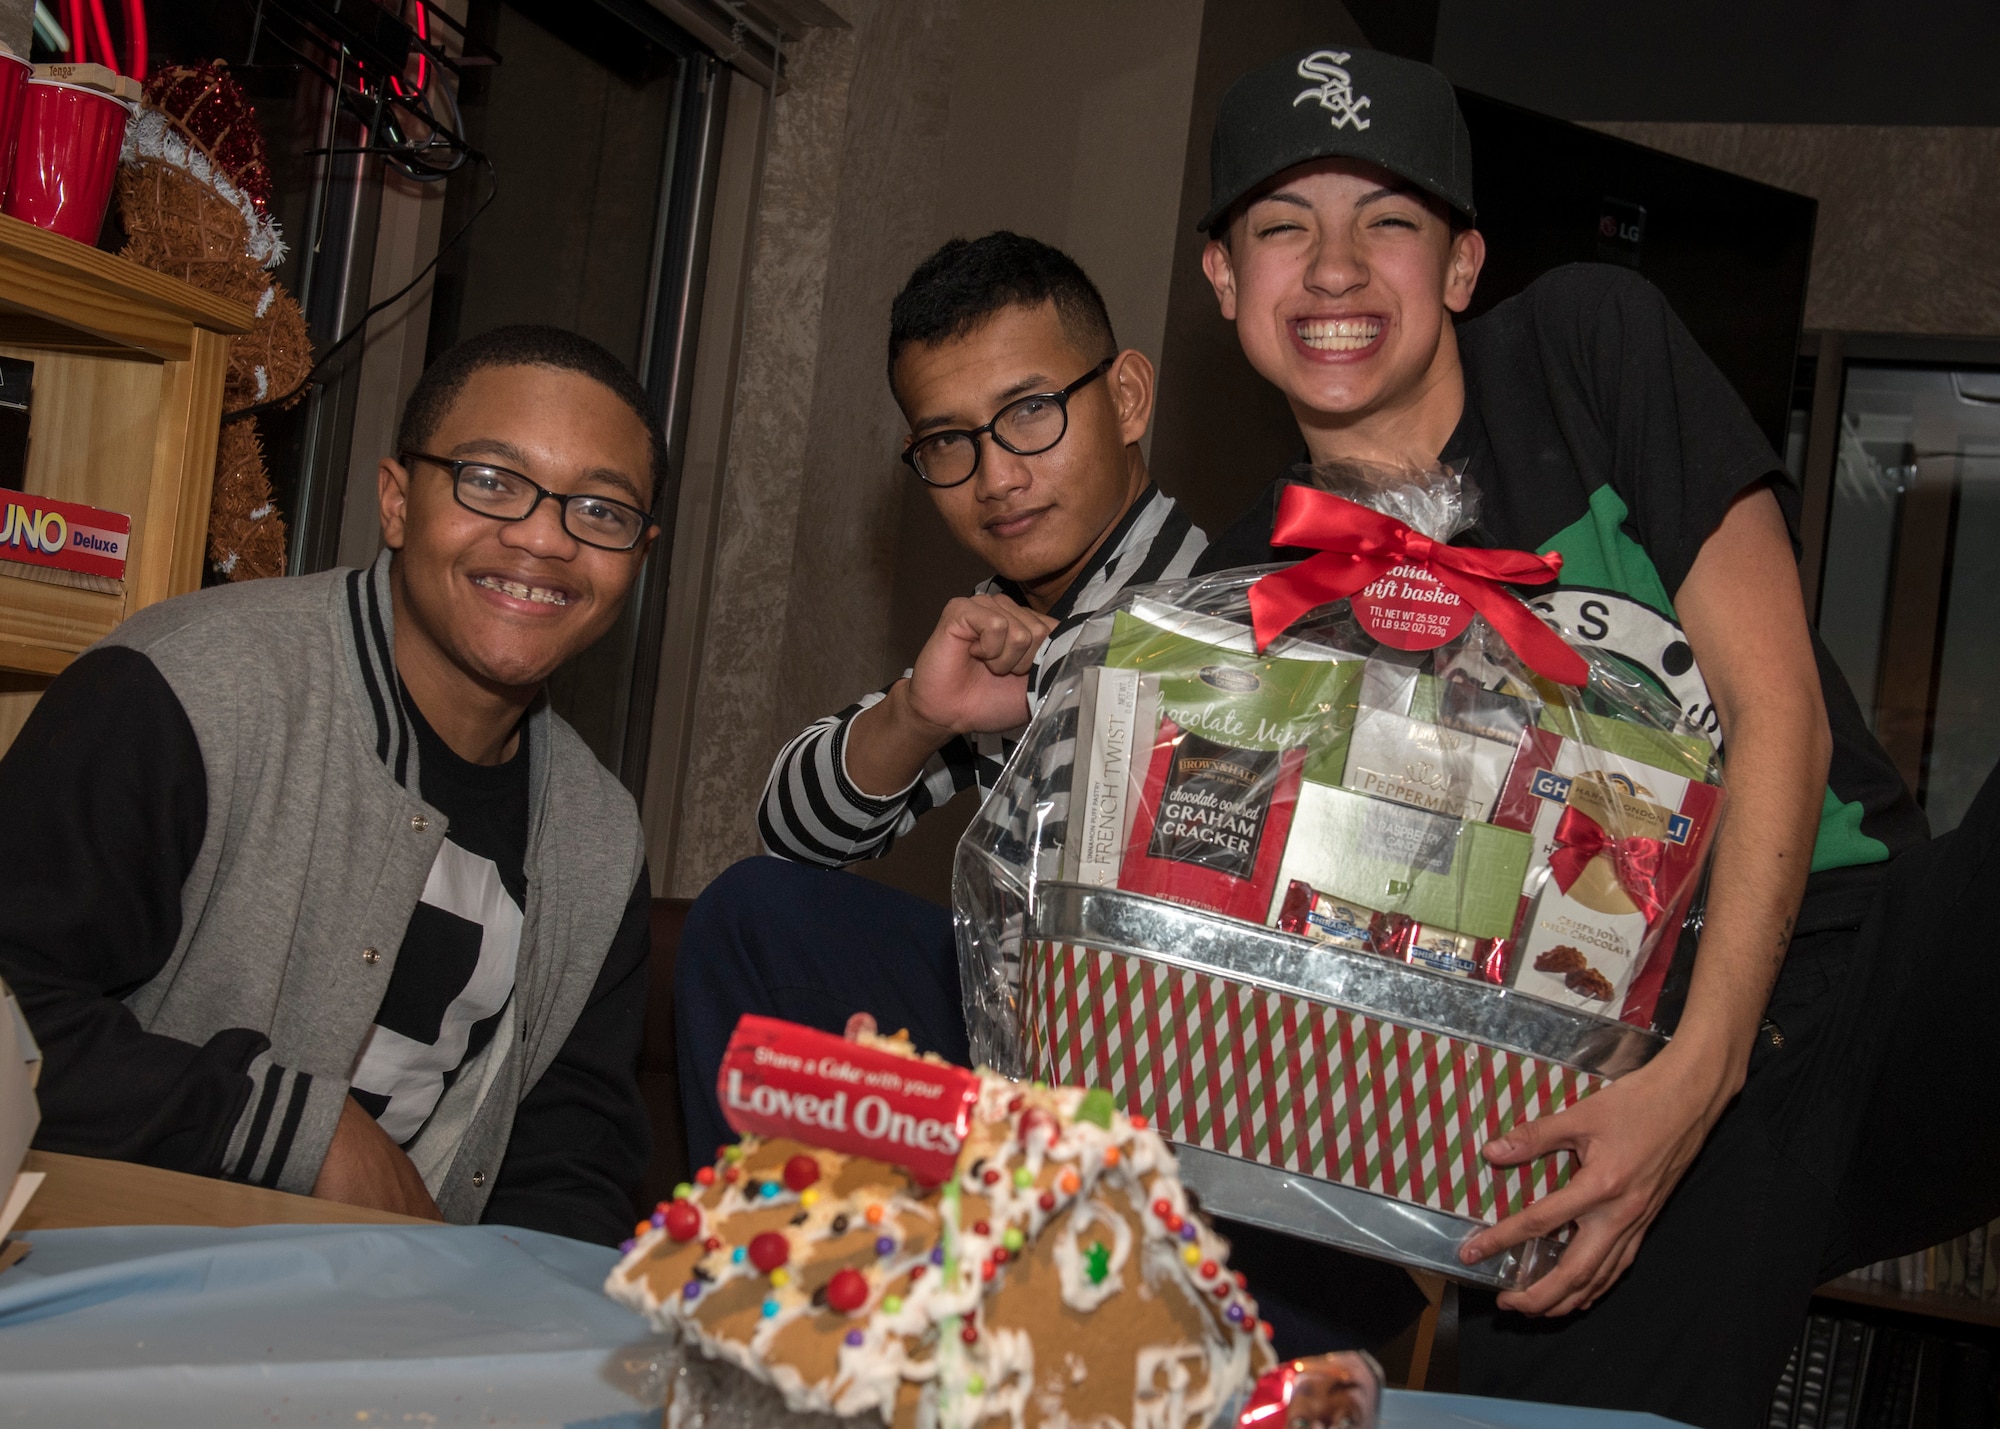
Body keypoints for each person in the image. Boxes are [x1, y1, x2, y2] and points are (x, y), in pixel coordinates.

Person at [1189, 45, 1997, 1429]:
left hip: (1847, 955)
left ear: (1460, 265)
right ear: (1224, 283)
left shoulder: (1584, 344)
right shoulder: (1259, 602)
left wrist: (1704, 1073)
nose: (1331, 267)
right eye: (1281, 225)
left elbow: (1776, 704)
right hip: (1591, 1090)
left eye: (1387, 217)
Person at [0, 325, 661, 1247]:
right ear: (396, 502)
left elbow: (567, 1169)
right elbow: (12, 1013)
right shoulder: (186, 688)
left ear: (637, 555)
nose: (544, 537)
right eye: (491, 480)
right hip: (108, 1298)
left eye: (600, 509)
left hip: (398, 1357)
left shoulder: (598, 839)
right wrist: (294, 1134)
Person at [677, 232, 1203, 1155]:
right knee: (756, 914)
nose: (996, 477)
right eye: (948, 441)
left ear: (1126, 398)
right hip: (1014, 1058)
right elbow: (796, 831)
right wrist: (924, 713)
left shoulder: (1235, 608)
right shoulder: (1001, 620)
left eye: (1031, 411)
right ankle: (791, 1267)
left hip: (1177, 1088)